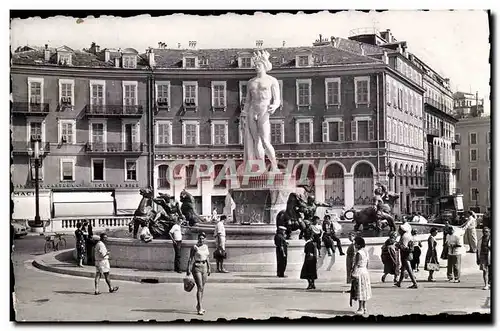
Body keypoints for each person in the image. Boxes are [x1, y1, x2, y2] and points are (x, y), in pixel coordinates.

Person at [240, 50, 281, 171]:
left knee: (265, 140)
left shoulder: (272, 80)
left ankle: (274, 166)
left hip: (264, 110)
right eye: (255, 65)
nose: (256, 67)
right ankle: (261, 167)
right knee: (255, 140)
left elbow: (277, 99)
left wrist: (275, 105)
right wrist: (244, 113)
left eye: (258, 65)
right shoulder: (251, 82)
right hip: (252, 111)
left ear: (264, 65)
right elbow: (248, 101)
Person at [186, 232, 211, 315]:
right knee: (199, 286)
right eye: (200, 238)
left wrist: (209, 267)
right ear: (198, 239)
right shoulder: (194, 247)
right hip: (197, 266)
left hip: (204, 267)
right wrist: (188, 269)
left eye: (203, 238)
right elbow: (190, 258)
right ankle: (200, 307)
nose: (201, 240)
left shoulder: (206, 247)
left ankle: (199, 305)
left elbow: (207, 257)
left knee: (202, 287)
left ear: (205, 239)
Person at [350, 236, 372, 316]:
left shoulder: (359, 253)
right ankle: (364, 307)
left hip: (359, 272)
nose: (354, 245)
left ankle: (360, 308)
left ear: (358, 245)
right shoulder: (365, 251)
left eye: (355, 243)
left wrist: (352, 273)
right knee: (365, 290)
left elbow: (355, 264)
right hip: (365, 271)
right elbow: (367, 262)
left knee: (360, 290)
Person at [395, 223, 418, 289]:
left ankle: (415, 283)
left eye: (399, 230)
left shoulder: (404, 237)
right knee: (403, 269)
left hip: (405, 255)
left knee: (409, 269)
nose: (398, 231)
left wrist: (398, 245)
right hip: (406, 254)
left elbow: (404, 247)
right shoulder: (407, 235)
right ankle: (399, 282)